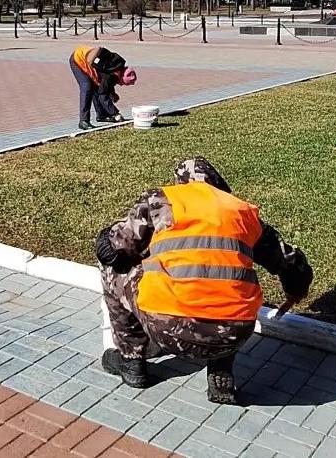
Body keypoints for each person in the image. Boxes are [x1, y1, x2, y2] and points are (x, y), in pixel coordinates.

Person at [94, 157, 313, 404]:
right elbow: (289, 261)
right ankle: (221, 368)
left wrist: (111, 236)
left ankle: (131, 360)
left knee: (114, 269)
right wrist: (296, 290)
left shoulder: (161, 201)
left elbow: (111, 251)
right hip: (233, 335)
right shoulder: (242, 212)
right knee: (226, 288)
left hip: (167, 328)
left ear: (181, 184)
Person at [70, 45, 133, 130]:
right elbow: (103, 95)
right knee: (87, 87)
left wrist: (112, 93)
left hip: (86, 55)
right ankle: (83, 121)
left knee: (96, 86)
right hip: (78, 59)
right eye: (123, 83)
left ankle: (102, 115)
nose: (121, 85)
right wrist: (115, 113)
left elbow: (105, 85)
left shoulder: (117, 67)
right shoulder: (111, 76)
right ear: (122, 78)